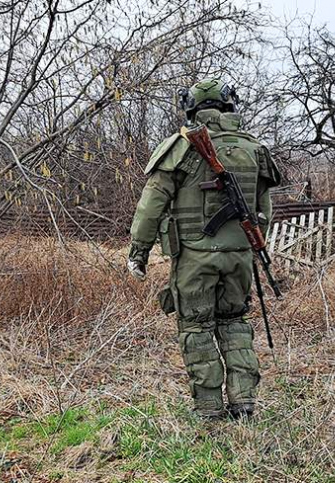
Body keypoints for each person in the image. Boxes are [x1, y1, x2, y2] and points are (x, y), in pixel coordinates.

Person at [127, 78, 280, 420]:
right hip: (239, 256)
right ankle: (243, 403)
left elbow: (151, 205)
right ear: (228, 106)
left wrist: (139, 251)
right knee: (235, 323)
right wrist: (252, 245)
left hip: (195, 255)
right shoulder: (253, 148)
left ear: (191, 107)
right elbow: (264, 211)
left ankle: (209, 408)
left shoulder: (180, 147)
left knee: (197, 328)